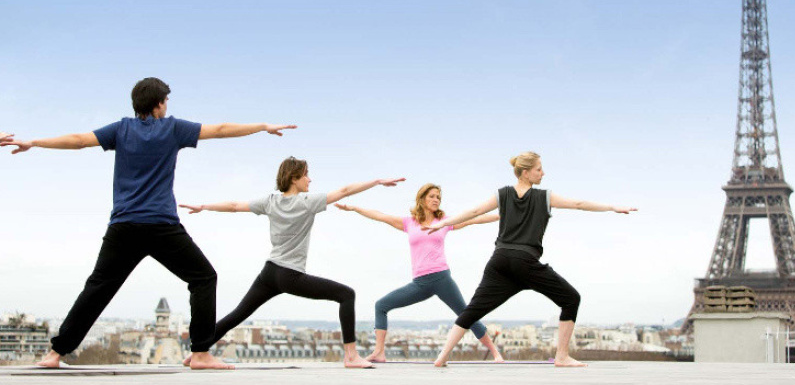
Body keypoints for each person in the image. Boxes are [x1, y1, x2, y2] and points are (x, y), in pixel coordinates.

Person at [1, 77, 296, 370]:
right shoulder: (172, 129)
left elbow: (78, 141)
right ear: (158, 104)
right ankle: (201, 353)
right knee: (203, 278)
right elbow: (219, 130)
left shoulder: (121, 129)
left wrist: (34, 142)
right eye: (165, 101)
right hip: (161, 226)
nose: (167, 106)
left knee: (98, 287)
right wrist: (262, 127)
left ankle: (55, 353)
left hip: (124, 227)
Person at [178, 157, 404, 369]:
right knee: (346, 294)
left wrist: (204, 206)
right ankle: (351, 356)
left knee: (238, 314)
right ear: (294, 178)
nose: (310, 179)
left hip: (269, 273)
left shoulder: (271, 201)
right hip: (290, 275)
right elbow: (344, 191)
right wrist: (376, 181)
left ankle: (198, 352)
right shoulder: (308, 202)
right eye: (306, 175)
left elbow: (235, 205)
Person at [423, 151, 637, 368]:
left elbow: (475, 211)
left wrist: (441, 224)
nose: (543, 173)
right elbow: (579, 203)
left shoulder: (502, 194)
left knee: (472, 310)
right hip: (524, 261)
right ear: (525, 173)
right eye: (538, 169)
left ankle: (441, 358)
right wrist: (612, 207)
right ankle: (562, 357)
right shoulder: (544, 197)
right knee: (571, 298)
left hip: (500, 261)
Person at [335, 183, 504, 363]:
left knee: (466, 315)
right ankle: (379, 352)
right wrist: (354, 208)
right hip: (420, 283)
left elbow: (474, 218)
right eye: (432, 196)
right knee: (381, 306)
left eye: (438, 197)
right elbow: (381, 216)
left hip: (441, 278)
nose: (436, 200)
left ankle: (495, 353)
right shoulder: (409, 223)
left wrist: (502, 216)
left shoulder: (444, 222)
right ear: (422, 199)